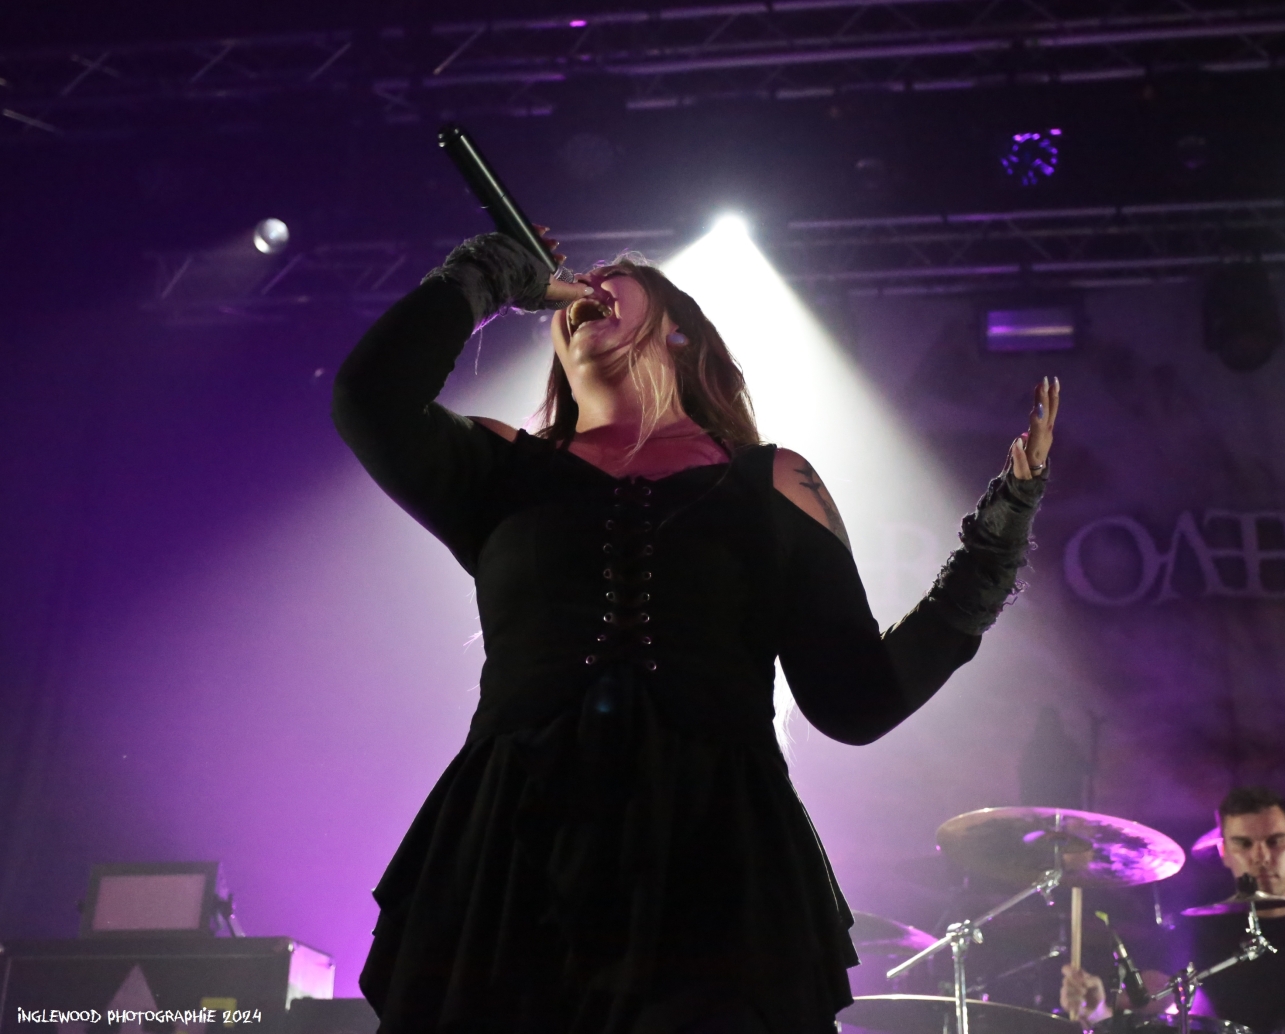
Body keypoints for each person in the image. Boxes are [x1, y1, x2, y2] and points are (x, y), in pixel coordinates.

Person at [332, 229, 1060, 1034]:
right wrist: (490, 274)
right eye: (579, 283)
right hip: (515, 849)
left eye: (618, 278)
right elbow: (371, 399)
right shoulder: (504, 467)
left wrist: (995, 545)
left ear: (678, 329)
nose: (591, 284)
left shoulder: (771, 482)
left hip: (712, 855)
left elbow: (859, 701)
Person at [1061, 787, 1285, 1032]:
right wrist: (1098, 1011)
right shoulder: (1194, 935)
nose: (1261, 856)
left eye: (1274, 841)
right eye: (1244, 844)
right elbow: (1145, 1003)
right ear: (1224, 851)